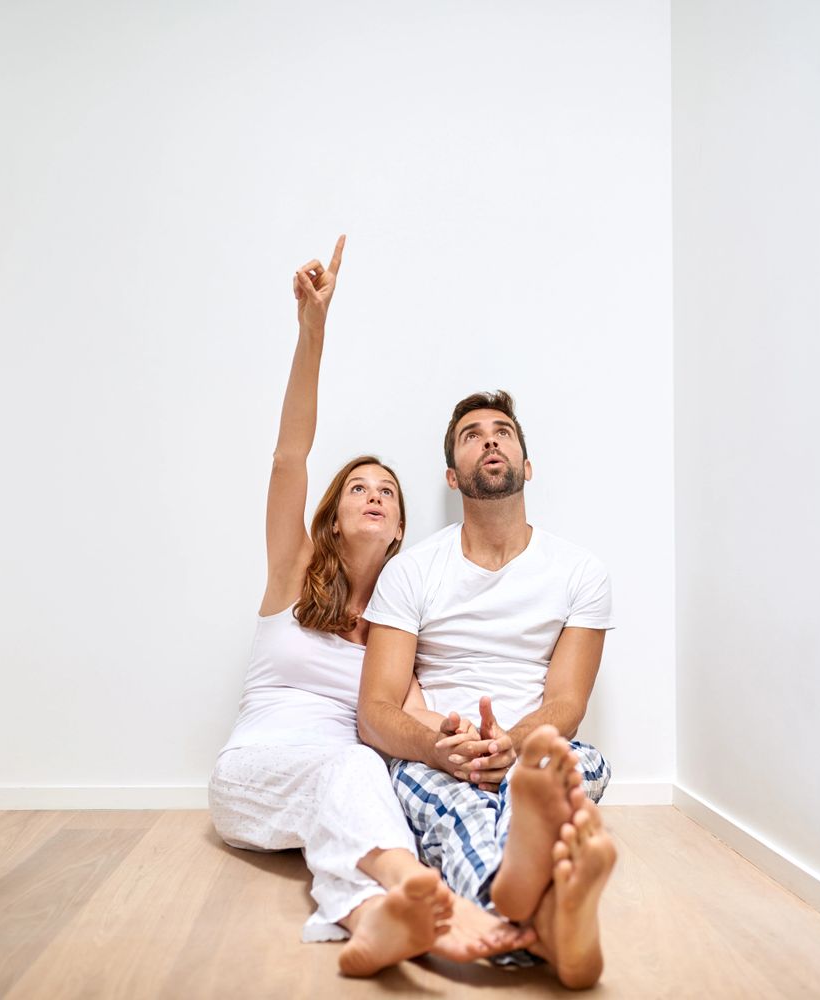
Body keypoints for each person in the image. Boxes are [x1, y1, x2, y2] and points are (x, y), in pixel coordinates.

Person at [208, 238, 534, 977]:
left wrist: (463, 745)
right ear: (334, 512)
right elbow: (290, 456)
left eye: (388, 489)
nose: (376, 494)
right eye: (359, 486)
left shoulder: (397, 626)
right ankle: (447, 914)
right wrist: (312, 329)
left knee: (362, 769)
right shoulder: (290, 573)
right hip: (254, 776)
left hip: (338, 784)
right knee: (352, 770)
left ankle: (378, 920)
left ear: (399, 529)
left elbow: (410, 717)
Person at [357, 390, 618, 987]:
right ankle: (548, 911)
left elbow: (567, 705)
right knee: (458, 808)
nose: (490, 440)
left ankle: (527, 887)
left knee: (577, 766)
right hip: (437, 752)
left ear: (526, 465)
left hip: (539, 749)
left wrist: (514, 743)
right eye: (472, 435)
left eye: (502, 431)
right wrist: (441, 749)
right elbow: (373, 712)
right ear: (453, 475)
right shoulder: (412, 572)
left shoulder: (580, 571)